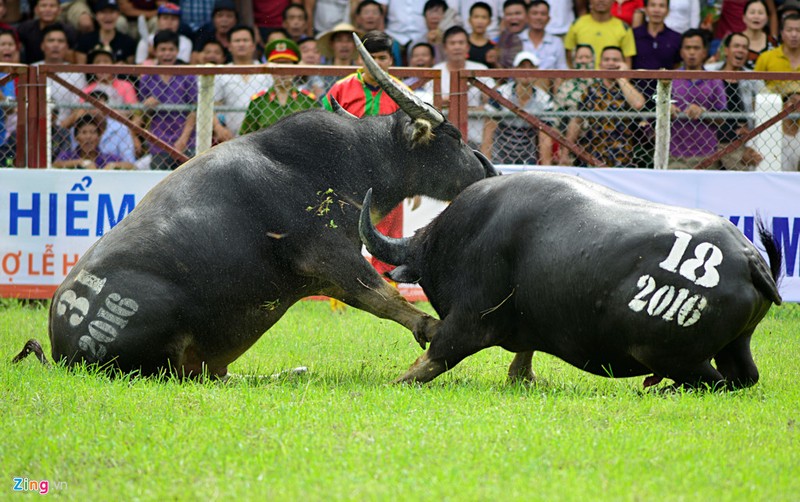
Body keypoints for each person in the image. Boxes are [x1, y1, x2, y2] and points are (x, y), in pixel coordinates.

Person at [321, 30, 405, 277]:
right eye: (371, 58)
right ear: (361, 59)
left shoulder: (402, 92)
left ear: (391, 60)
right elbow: (324, 128)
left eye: (382, 58)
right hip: (346, 172)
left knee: (389, 234)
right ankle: (342, 281)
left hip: (390, 175)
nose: (377, 63)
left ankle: (388, 287)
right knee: (344, 228)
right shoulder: (341, 89)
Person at [559, 46, 646, 167]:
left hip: (623, 155)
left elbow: (638, 103)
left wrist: (621, 77)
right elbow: (577, 121)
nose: (611, 63)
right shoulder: (591, 90)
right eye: (607, 59)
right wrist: (565, 153)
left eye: (615, 60)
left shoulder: (629, 88)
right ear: (600, 64)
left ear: (623, 64)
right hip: (594, 155)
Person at [139, 30, 198, 170]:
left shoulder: (187, 76)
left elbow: (194, 110)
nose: (167, 53)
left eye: (171, 49)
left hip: (187, 141)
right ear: (155, 51)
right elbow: (142, 115)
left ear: (177, 51)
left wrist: (183, 139)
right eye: (163, 49)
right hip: (158, 142)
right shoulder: (147, 78)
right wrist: (146, 107)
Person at [705, 32, 764, 170]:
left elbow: (766, 107)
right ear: (726, 50)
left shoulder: (754, 79)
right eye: (736, 46)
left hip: (738, 143)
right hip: (708, 139)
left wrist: (751, 136)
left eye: (744, 47)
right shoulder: (708, 72)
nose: (740, 50)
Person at [669, 29, 727, 169]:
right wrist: (665, 108)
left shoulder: (714, 80)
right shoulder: (670, 78)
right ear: (681, 52)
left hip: (706, 154)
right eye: (688, 48)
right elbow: (654, 103)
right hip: (674, 154)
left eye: (696, 48)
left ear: (704, 52)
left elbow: (723, 117)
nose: (692, 52)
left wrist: (703, 111)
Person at [484, 51, 554, 165]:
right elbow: (489, 129)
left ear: (537, 71)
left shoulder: (544, 99)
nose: (526, 71)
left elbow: (545, 137)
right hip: (499, 155)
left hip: (528, 157)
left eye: (531, 67)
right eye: (522, 66)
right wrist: (486, 162)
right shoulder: (501, 93)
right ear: (514, 70)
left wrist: (547, 167)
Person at [433, 25, 495, 151]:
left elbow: (494, 100)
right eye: (452, 43)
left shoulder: (480, 69)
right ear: (445, 47)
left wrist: (447, 101)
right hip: (443, 137)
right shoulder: (435, 71)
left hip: (477, 137)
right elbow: (430, 103)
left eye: (461, 43)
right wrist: (459, 98)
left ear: (467, 47)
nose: (457, 47)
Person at [239, 38, 317, 135]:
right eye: (277, 67)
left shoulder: (307, 101)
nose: (282, 72)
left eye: (286, 66)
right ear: (270, 71)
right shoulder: (258, 102)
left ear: (295, 70)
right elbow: (245, 136)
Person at [755, 12, 800, 171]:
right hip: (774, 125)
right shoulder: (766, 58)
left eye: (798, 30)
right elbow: (756, 93)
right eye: (789, 30)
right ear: (781, 32)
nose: (794, 34)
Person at [216, 25, 275, 137]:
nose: (241, 44)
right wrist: (220, 129)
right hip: (231, 138)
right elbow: (213, 106)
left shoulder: (266, 72)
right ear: (229, 46)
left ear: (253, 45)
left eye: (245, 40)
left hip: (263, 136)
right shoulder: (221, 74)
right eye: (237, 41)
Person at [32, 24, 86, 128]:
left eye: (60, 41)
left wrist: (59, 130)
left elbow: (80, 108)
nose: (55, 45)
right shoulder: (31, 69)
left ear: (67, 47)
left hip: (66, 131)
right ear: (42, 45)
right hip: (34, 128)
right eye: (51, 40)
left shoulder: (76, 73)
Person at [566, 0, 637, 68]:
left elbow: (628, 62)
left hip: (611, 79)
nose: (601, 0)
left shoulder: (624, 27)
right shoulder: (577, 24)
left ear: (613, 1)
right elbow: (569, 58)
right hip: (584, 78)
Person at [53, 114, 134, 170]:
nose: (88, 137)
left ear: (99, 137)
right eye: (84, 132)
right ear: (76, 137)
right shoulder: (68, 156)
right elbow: (56, 164)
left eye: (93, 132)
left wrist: (112, 165)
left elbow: (131, 166)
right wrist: (83, 163)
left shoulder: (108, 158)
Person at [74, 0, 136, 64]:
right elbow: (81, 70)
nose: (108, 16)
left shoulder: (128, 42)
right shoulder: (85, 41)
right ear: (96, 15)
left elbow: (130, 71)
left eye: (111, 12)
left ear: (118, 14)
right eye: (103, 12)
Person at [519, 0, 568, 73]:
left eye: (543, 14)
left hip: (550, 83)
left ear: (548, 19)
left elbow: (562, 70)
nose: (539, 17)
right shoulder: (517, 39)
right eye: (534, 13)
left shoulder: (556, 42)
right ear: (527, 17)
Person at [354, 0, 404, 65]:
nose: (370, 16)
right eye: (366, 13)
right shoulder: (351, 41)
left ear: (381, 17)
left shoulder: (391, 43)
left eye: (375, 13)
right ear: (358, 17)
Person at [741, 0, 778, 69]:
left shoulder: (773, 43)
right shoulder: (732, 40)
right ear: (744, 17)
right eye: (752, 12)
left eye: (760, 13)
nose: (756, 16)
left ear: (767, 18)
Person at [496, 0, 528, 68]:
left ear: (527, 15)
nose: (513, 18)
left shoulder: (536, 38)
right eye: (509, 14)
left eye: (517, 13)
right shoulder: (497, 41)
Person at [467, 2, 496, 67]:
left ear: (490, 21)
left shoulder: (494, 47)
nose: (480, 21)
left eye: (484, 17)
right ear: (469, 20)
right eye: (476, 17)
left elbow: (501, 75)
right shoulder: (462, 44)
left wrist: (494, 63)